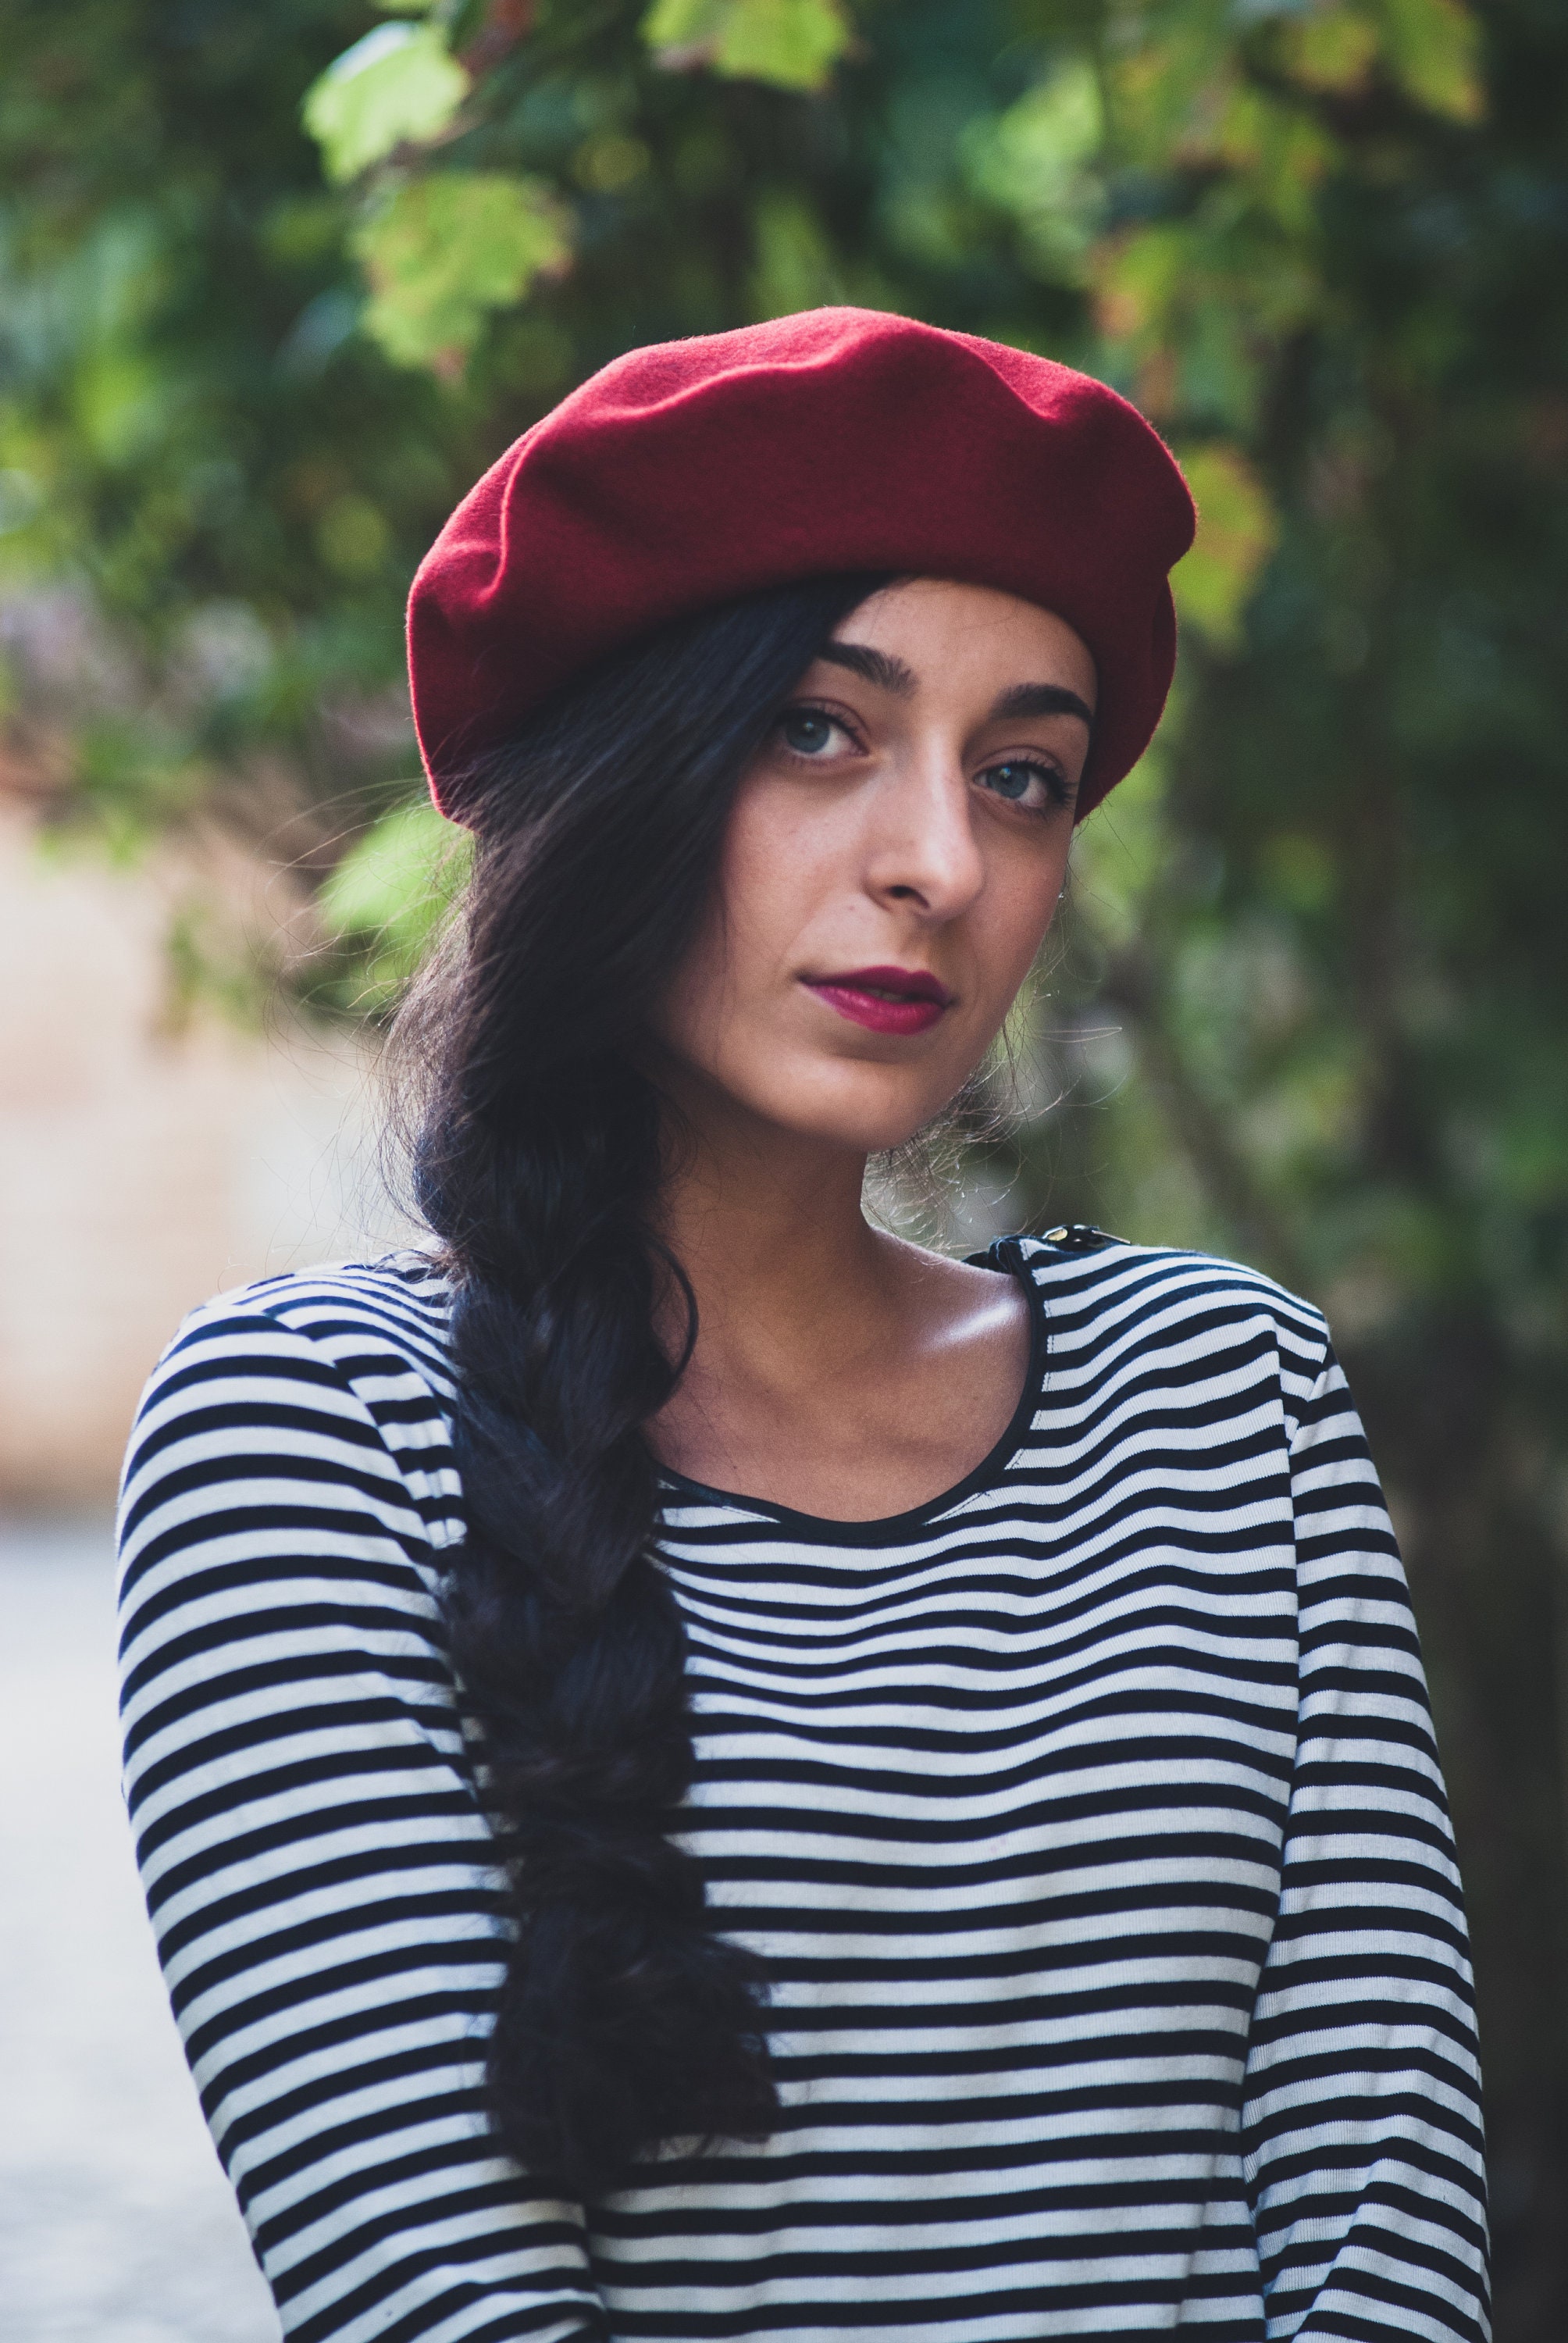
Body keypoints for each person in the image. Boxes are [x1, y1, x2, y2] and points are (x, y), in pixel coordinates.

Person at [116, 309, 1488, 2343]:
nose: (942, 861)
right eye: (822, 730)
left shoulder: (1231, 1400)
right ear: (614, 787)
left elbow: (1395, 2241)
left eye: (1022, 775)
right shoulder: (311, 1434)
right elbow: (442, 2307)